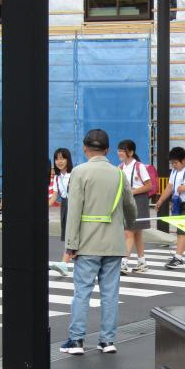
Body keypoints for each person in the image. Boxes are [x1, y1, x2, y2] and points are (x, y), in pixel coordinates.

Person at [60, 129, 136, 356]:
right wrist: (127, 223)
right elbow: (130, 206)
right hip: (113, 243)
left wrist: (71, 244)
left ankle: (76, 341)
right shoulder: (118, 174)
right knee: (110, 294)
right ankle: (107, 340)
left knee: (82, 292)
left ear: (85, 148)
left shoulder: (79, 172)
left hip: (87, 242)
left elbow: (74, 210)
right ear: (107, 150)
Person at [117, 139, 152, 275]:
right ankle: (142, 262)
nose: (120, 153)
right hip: (127, 201)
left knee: (129, 232)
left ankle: (123, 263)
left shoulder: (139, 166)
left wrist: (133, 191)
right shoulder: (120, 167)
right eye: (119, 150)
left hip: (139, 201)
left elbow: (149, 185)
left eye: (123, 150)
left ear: (131, 152)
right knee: (136, 233)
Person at [48, 148, 73, 241]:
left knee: (73, 233)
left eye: (62, 158)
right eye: (57, 159)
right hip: (64, 205)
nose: (59, 161)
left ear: (68, 159)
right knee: (66, 233)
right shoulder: (57, 177)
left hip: (74, 205)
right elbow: (54, 196)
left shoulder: (74, 174)